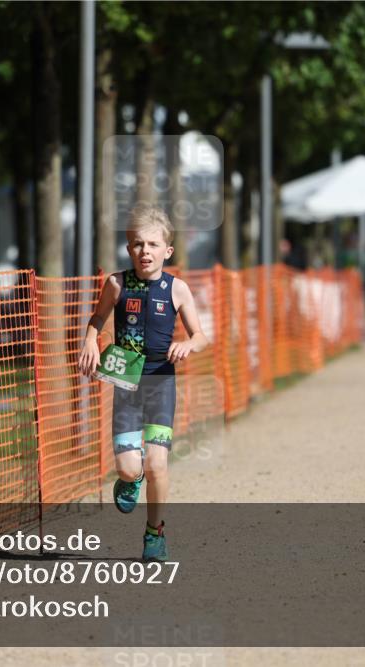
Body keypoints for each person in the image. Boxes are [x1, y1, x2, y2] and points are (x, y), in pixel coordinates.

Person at [77, 205, 209, 562]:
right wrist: (91, 340)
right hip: (127, 384)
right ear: (128, 248)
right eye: (137, 244)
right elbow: (98, 317)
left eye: (153, 244)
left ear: (168, 250)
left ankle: (155, 532)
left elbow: (201, 336)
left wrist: (186, 344)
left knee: (157, 464)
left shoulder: (177, 289)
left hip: (161, 383)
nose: (145, 251)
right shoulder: (116, 284)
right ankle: (129, 479)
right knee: (130, 468)